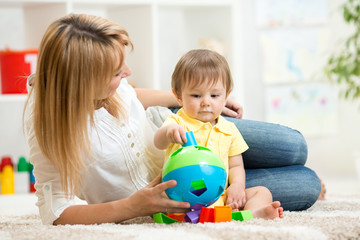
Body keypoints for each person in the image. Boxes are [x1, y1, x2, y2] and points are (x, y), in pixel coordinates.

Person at [24, 13, 321, 226]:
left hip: (180, 127)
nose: (127, 72)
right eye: (116, 73)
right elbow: (56, 212)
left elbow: (132, 95)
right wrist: (131, 206)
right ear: (83, 85)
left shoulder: (114, 86)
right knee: (305, 184)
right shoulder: (48, 125)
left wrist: (194, 97)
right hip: (174, 184)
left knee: (294, 146)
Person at [154, 49, 283, 219]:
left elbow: (236, 165)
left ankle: (252, 214)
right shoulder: (177, 122)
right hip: (184, 195)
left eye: (214, 95)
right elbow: (158, 142)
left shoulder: (229, 129)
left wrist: (236, 185)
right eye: (196, 95)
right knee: (160, 201)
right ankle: (219, 216)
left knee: (262, 192)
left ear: (226, 96)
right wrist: (168, 133)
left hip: (219, 196)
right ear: (178, 96)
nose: (206, 102)